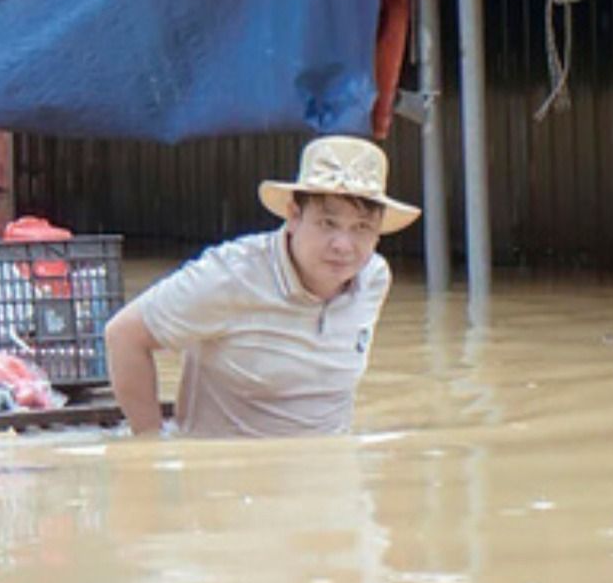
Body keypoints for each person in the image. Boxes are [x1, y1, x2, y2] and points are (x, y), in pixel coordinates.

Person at [103, 134, 417, 439]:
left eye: (361, 228)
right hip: (233, 481)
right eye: (328, 224)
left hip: (332, 473)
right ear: (294, 216)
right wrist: (150, 447)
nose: (343, 246)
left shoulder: (373, 278)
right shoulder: (231, 274)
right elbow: (124, 335)